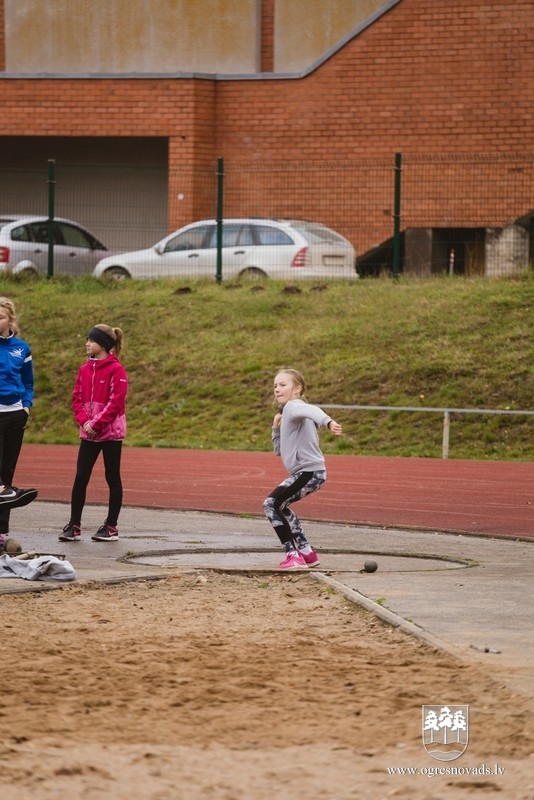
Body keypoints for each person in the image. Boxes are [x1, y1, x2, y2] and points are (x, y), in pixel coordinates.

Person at [263, 368, 342, 570]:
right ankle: (307, 553)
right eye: (275, 386)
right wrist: (275, 429)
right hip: (309, 472)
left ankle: (293, 555)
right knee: (281, 506)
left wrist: (328, 422)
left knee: (271, 503)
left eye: (283, 385)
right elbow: (279, 451)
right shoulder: (288, 413)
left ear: (297, 388)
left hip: (309, 472)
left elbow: (312, 410)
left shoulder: (294, 406)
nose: (277, 389)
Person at [59, 324, 128, 543]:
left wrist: (96, 424)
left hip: (110, 434)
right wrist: (84, 422)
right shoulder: (84, 370)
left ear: (104, 345)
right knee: (80, 477)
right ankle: (74, 525)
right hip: (88, 433)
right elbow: (76, 400)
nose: (86, 343)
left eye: (91, 340)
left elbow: (116, 402)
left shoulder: (117, 370)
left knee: (112, 477)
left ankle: (111, 527)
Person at [0, 297, 38, 552]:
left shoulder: (22, 348)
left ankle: (2, 534)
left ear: (10, 320)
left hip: (15, 414)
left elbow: (29, 382)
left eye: (0, 317)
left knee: (7, 474)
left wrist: (26, 406)